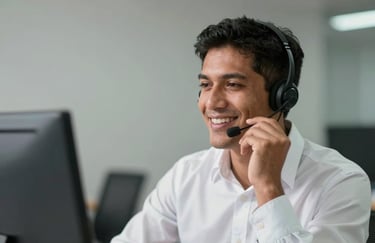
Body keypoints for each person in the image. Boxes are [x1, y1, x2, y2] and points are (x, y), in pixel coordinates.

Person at [111, 16, 372, 243]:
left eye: (233, 84)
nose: (212, 102)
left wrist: (269, 188)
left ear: (282, 97)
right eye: (205, 85)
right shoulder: (186, 175)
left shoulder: (340, 182)